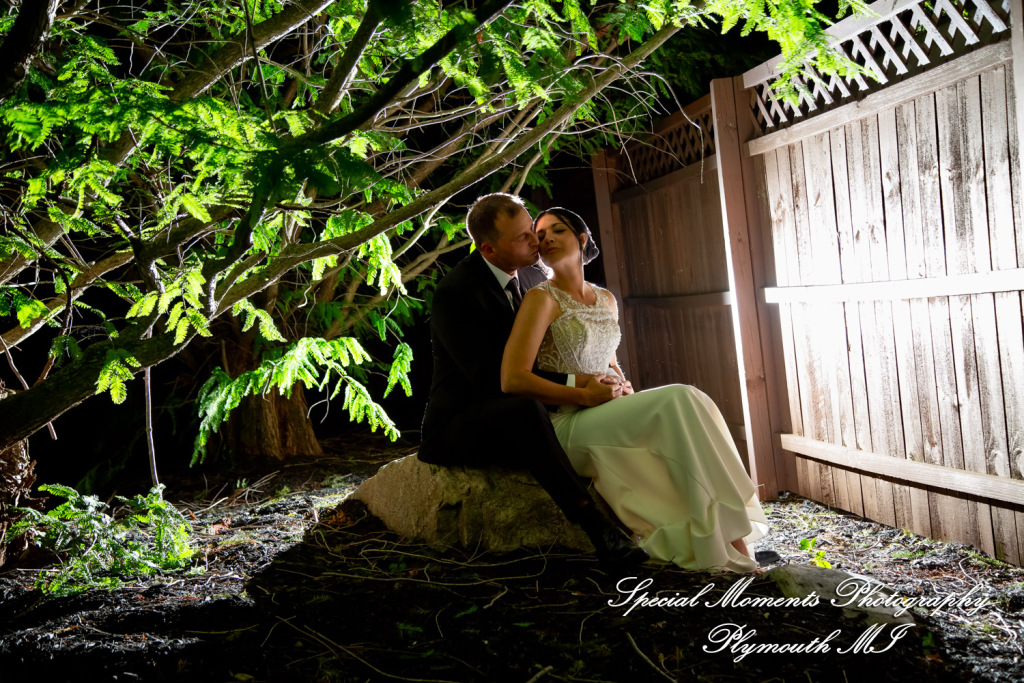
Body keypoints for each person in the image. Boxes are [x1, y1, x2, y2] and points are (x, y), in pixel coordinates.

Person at [500, 207, 769, 573]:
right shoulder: (541, 299)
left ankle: (730, 536)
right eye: (539, 233)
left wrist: (623, 383)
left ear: (581, 239)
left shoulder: (606, 299)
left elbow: (607, 361)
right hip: (568, 423)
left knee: (695, 403)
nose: (545, 238)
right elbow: (513, 378)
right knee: (679, 397)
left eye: (557, 230)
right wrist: (581, 395)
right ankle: (730, 543)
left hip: (607, 411)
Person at [418, 193, 648, 566]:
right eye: (524, 237)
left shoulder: (530, 274)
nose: (535, 242)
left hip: (526, 407)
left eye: (532, 231)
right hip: (461, 422)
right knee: (524, 409)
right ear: (490, 249)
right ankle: (595, 526)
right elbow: (491, 379)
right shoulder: (457, 293)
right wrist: (578, 386)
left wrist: (608, 382)